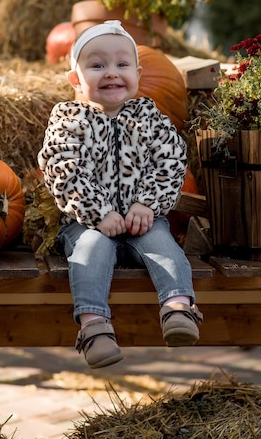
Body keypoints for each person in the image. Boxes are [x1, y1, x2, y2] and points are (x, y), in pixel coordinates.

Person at [38, 20, 202, 369]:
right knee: (90, 249)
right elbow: (62, 169)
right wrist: (99, 213)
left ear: (138, 74)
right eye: (97, 65)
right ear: (76, 79)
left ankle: (178, 308)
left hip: (142, 218)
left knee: (164, 245)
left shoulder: (150, 118)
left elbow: (172, 160)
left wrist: (147, 203)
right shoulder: (68, 120)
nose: (111, 73)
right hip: (87, 223)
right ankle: (94, 326)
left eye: (122, 65)